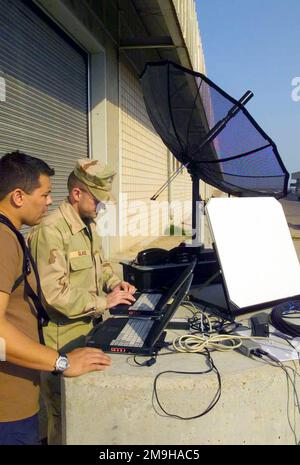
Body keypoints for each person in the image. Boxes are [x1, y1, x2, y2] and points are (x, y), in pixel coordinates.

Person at [0, 152, 111, 446]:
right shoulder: (4, 240)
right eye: (45, 194)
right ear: (18, 196)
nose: (50, 201)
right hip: (8, 405)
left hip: (19, 392)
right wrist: (61, 362)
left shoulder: (10, 235)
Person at [28, 158, 136, 444]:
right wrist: (105, 302)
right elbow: (54, 296)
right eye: (99, 201)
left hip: (88, 332)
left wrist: (115, 284)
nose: (102, 208)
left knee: (85, 414)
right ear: (77, 194)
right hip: (61, 339)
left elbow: (102, 267)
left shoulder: (89, 225)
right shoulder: (51, 232)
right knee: (63, 418)